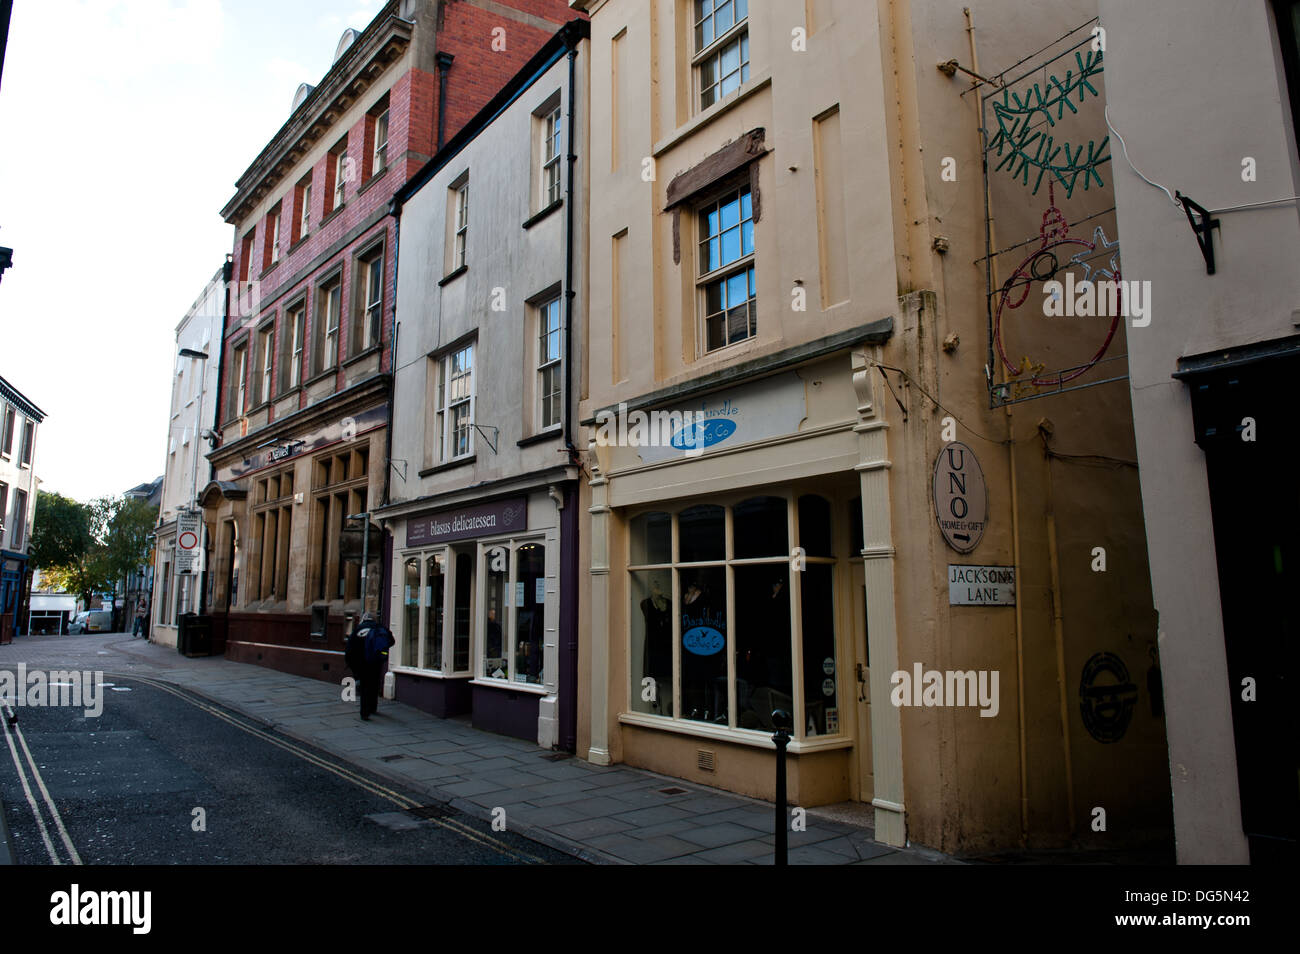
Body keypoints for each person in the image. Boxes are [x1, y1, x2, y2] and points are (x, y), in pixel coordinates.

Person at [345, 612, 394, 721]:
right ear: (374, 619)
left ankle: (364, 712)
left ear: (364, 619)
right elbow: (391, 641)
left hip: (362, 663)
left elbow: (349, 648)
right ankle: (373, 707)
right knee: (374, 684)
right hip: (376, 662)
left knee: (364, 686)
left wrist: (350, 663)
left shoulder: (358, 629)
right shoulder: (380, 628)